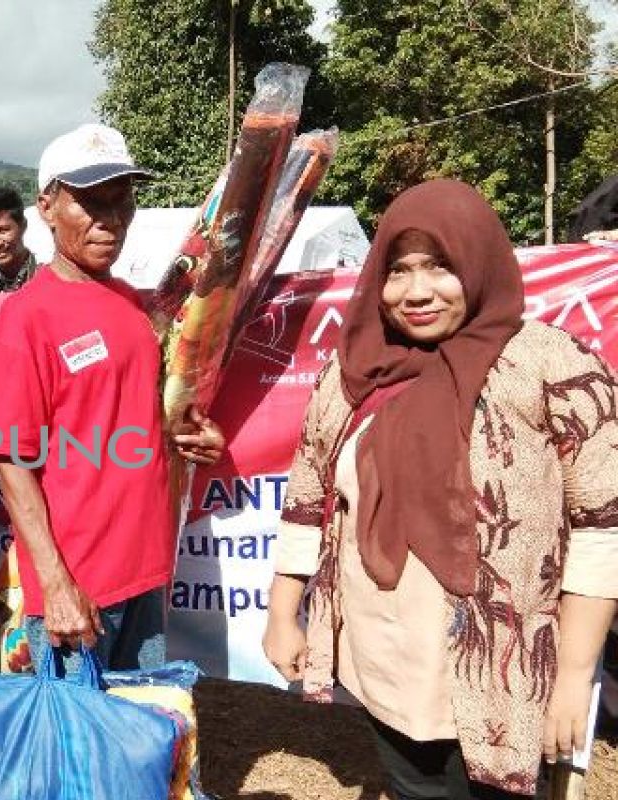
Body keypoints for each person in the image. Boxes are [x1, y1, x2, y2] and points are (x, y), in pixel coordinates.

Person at [263, 180, 618, 799]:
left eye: (441, 268)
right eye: (399, 271)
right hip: (388, 664)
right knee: (410, 788)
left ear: (480, 262)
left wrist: (575, 676)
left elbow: (601, 526)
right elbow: (307, 497)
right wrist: (281, 613)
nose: (417, 292)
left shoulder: (550, 365)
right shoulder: (353, 371)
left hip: (502, 677)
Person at [0, 123, 224, 672]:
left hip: (145, 571)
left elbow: (142, 415)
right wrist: (56, 584)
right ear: (46, 207)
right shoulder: (27, 317)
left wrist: (190, 435)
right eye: (89, 203)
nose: (109, 219)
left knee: (137, 743)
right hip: (78, 589)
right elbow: (11, 459)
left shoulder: (138, 307)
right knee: (76, 751)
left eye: (122, 201)